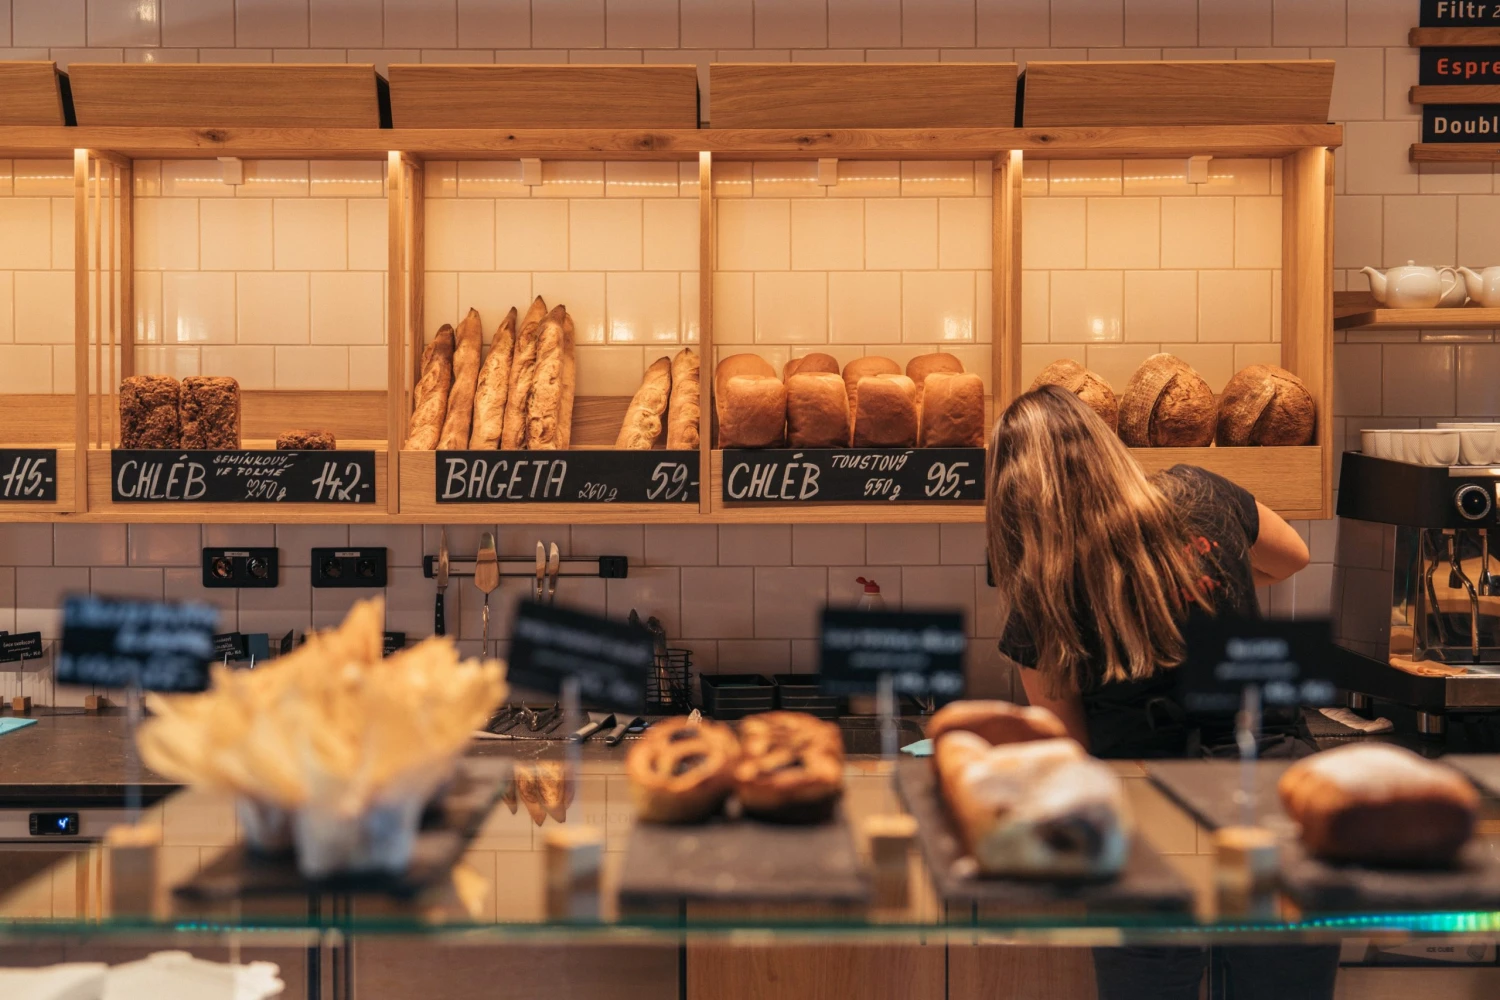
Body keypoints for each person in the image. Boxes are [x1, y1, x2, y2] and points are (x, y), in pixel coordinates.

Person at [984, 385, 1332, 1000]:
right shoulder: (1204, 492)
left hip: (1149, 815)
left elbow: (1072, 750)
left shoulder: (1043, 590)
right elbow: (1293, 557)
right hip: (1270, 789)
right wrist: (1195, 579)